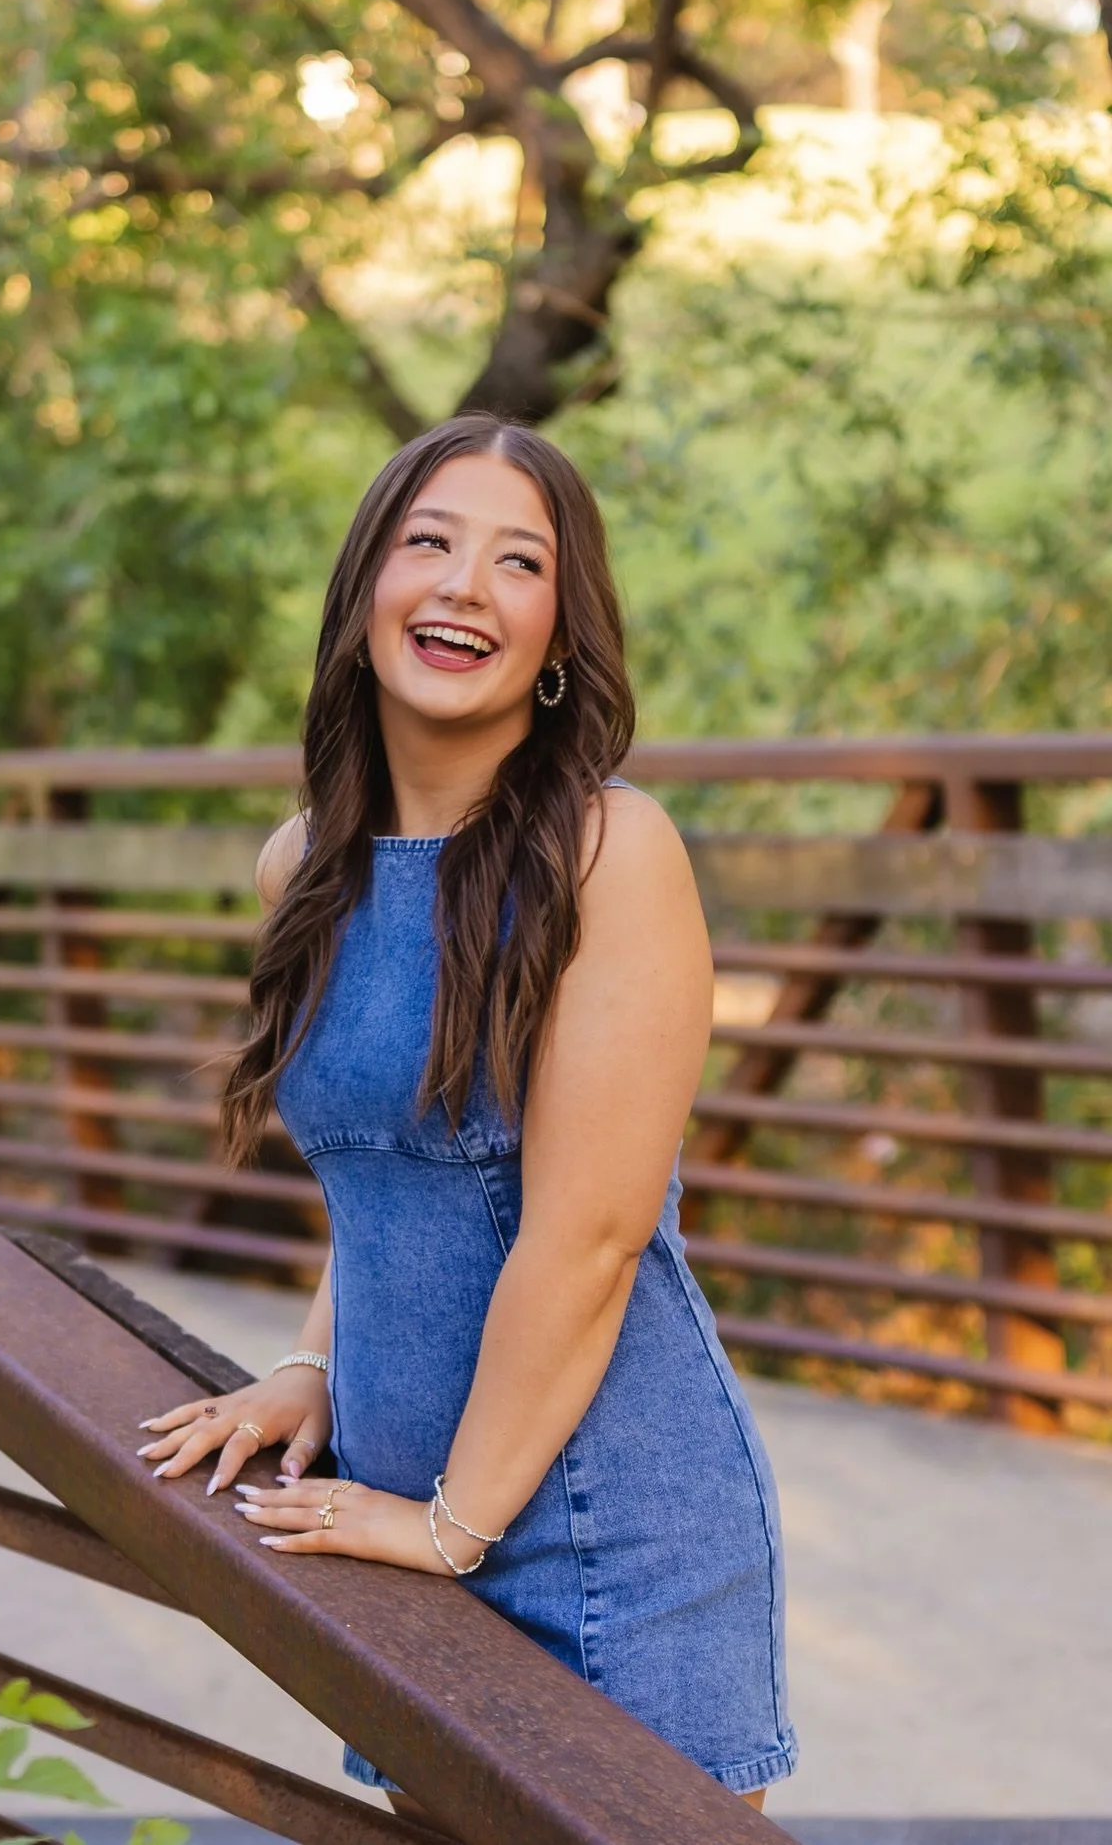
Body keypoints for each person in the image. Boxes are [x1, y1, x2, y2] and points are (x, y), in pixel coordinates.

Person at [138, 413, 797, 1815]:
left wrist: (456, 1525)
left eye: (518, 561)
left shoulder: (609, 850)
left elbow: (593, 1233)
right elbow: (388, 1172)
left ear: (558, 633)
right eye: (428, 541)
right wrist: (311, 1364)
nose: (462, 587)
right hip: (403, 1512)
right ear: (366, 586)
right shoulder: (303, 867)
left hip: (603, 1531)